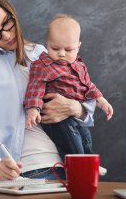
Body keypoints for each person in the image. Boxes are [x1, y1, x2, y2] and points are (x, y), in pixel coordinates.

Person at [0, 0, 96, 181]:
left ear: (11, 12)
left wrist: (77, 108)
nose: (5, 36)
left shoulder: (40, 52)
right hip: (30, 168)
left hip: (68, 163)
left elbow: (81, 101)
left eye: (6, 23)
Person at [24, 14, 113, 160]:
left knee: (85, 140)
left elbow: (88, 86)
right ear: (47, 44)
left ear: (78, 47)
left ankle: (89, 166)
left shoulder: (78, 65)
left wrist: (102, 101)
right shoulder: (42, 65)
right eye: (55, 48)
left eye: (68, 50)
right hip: (56, 118)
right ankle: (77, 166)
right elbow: (35, 88)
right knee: (73, 146)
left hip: (74, 116)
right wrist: (33, 109)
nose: (61, 54)